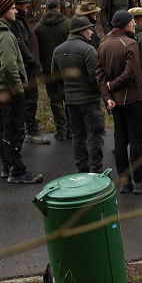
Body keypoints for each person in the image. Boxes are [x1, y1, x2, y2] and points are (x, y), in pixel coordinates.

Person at [96, 10, 142, 194]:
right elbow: (130, 73)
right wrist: (111, 87)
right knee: (135, 139)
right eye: (131, 22)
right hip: (134, 99)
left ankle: (125, 183)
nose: (134, 24)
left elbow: (99, 76)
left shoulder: (102, 46)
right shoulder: (131, 44)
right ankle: (140, 182)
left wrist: (108, 97)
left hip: (115, 102)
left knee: (120, 139)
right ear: (124, 25)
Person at [52, 15, 105, 173]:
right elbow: (95, 78)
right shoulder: (88, 50)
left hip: (70, 101)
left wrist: (67, 90)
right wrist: (101, 92)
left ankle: (82, 169)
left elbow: (55, 78)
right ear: (81, 30)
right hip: (89, 100)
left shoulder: (57, 50)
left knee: (78, 135)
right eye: (89, 29)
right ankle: (96, 170)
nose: (91, 32)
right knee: (94, 135)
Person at [0, 0, 43, 183]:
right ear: (3, 11)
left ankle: (7, 167)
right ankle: (17, 172)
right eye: (12, 8)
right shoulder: (6, 36)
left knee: (4, 130)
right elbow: (9, 67)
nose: (16, 11)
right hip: (10, 93)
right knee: (15, 131)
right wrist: (18, 90)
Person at [8, 0, 50, 144]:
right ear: (16, 4)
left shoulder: (20, 20)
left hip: (28, 67)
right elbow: (20, 43)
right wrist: (31, 59)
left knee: (29, 100)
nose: (27, 5)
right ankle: (30, 132)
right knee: (28, 100)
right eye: (24, 3)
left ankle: (25, 131)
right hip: (25, 68)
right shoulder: (14, 22)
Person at [34, 0, 70, 141]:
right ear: (58, 7)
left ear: (47, 8)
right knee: (69, 98)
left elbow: (36, 49)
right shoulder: (68, 24)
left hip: (49, 69)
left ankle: (61, 131)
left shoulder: (38, 28)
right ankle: (71, 130)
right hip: (67, 67)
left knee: (55, 100)